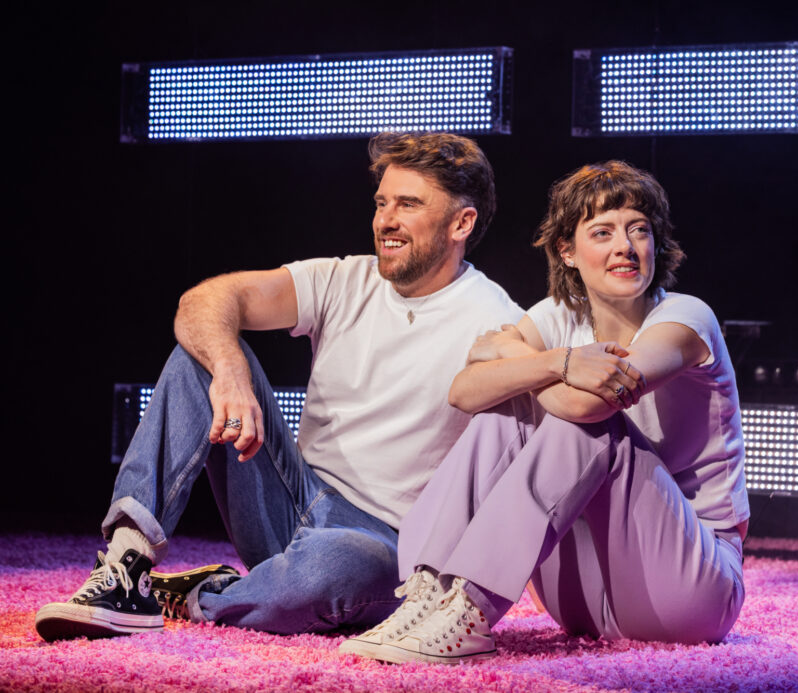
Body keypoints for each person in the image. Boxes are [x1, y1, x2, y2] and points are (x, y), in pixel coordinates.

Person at [34, 132, 523, 641]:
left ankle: (206, 597)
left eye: (408, 204)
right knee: (202, 352)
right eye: (382, 203)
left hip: (381, 544)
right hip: (292, 498)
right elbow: (203, 302)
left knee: (333, 568)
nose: (385, 220)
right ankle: (126, 566)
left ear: (461, 223)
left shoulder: (499, 321)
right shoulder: (341, 279)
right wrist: (230, 371)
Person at [339, 160, 749, 664]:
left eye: (639, 230)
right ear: (567, 251)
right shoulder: (557, 317)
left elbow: (589, 404)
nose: (625, 246)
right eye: (603, 232)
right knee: (505, 409)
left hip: (692, 589)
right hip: (580, 598)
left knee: (586, 420)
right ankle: (430, 589)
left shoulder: (685, 318)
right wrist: (559, 363)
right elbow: (464, 392)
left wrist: (518, 357)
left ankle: (473, 607)